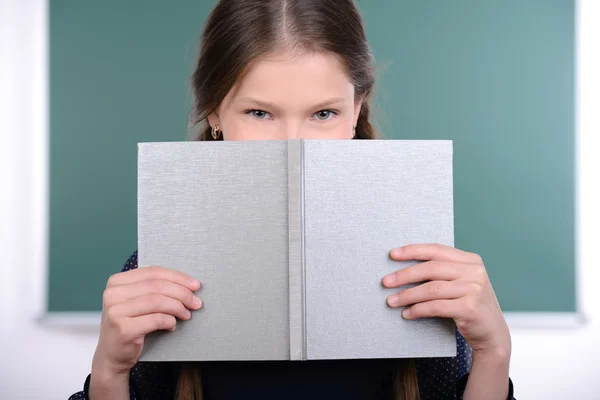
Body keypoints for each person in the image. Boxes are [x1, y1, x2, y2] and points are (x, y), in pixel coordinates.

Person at [70, 0, 515, 399]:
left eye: (324, 113)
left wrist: (493, 352)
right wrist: (109, 371)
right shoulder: (155, 273)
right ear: (213, 111)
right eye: (259, 113)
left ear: (356, 110)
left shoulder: (422, 270)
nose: (293, 143)